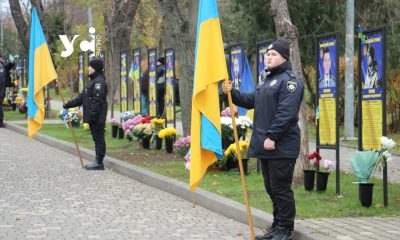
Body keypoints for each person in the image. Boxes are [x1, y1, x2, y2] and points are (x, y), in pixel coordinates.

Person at [223, 39, 303, 240]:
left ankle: (285, 229)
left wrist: (272, 137)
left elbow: (285, 113)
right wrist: (231, 93)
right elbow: (251, 101)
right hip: (266, 145)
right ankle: (277, 226)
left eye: (274, 54)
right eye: (267, 54)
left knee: (281, 188)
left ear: (284, 57)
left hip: (281, 145)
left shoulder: (290, 82)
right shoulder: (266, 79)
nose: (269, 56)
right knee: (271, 188)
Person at [63, 59, 108, 170]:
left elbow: (97, 100)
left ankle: (99, 162)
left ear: (96, 68)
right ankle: (97, 160)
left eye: (90, 67)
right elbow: (81, 98)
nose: (88, 68)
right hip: (92, 116)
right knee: (96, 139)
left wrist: (92, 115)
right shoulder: (91, 82)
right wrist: (68, 104)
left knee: (99, 139)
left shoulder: (99, 82)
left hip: (97, 117)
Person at [0, 54, 15, 128]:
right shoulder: (2, 66)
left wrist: (11, 62)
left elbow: (7, 66)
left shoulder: (2, 66)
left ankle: (1, 122)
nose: (2, 59)